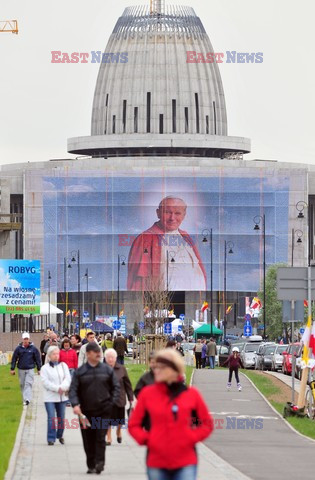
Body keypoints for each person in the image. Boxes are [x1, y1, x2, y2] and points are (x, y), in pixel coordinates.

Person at [129, 349, 214, 480]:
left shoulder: (191, 394)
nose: (155, 370)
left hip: (186, 461)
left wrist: (190, 437)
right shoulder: (147, 394)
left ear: (174, 369)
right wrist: (148, 439)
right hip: (156, 461)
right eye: (155, 366)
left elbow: (207, 424)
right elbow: (133, 424)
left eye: (161, 367)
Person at [127, 196, 207, 291]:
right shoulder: (145, 239)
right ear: (158, 213)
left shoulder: (186, 237)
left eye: (177, 213)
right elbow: (138, 283)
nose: (172, 218)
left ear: (184, 215)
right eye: (167, 212)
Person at [69, 342, 120, 475]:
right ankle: (91, 464)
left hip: (103, 411)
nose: (98, 354)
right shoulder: (80, 372)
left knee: (100, 437)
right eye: (95, 352)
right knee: (88, 439)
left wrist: (111, 403)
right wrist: (75, 404)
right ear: (88, 354)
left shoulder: (107, 370)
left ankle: (100, 463)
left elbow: (116, 387)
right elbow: (73, 390)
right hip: (85, 412)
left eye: (99, 352)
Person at [40, 346, 71, 445]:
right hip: (50, 397)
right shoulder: (45, 368)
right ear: (49, 356)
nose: (56, 356)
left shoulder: (63, 366)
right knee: (51, 417)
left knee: (61, 418)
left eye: (57, 354)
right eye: (54, 354)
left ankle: (60, 435)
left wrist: (63, 387)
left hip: (62, 397)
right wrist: (57, 388)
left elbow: (68, 378)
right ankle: (51, 438)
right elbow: (45, 382)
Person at [104, 348, 134, 445]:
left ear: (116, 358)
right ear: (105, 358)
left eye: (112, 357)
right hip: (107, 398)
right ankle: (108, 437)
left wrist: (131, 398)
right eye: (108, 357)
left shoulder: (122, 368)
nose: (110, 359)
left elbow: (128, 384)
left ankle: (118, 431)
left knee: (120, 418)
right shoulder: (102, 369)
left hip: (120, 397)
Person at [10, 332, 41, 406]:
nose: (26, 340)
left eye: (27, 339)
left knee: (28, 384)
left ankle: (27, 399)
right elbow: (14, 358)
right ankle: (24, 398)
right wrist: (12, 368)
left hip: (30, 368)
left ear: (29, 339)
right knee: (22, 384)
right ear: (22, 339)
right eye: (24, 339)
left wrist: (39, 368)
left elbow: (37, 359)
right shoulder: (18, 348)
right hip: (21, 369)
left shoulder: (33, 349)